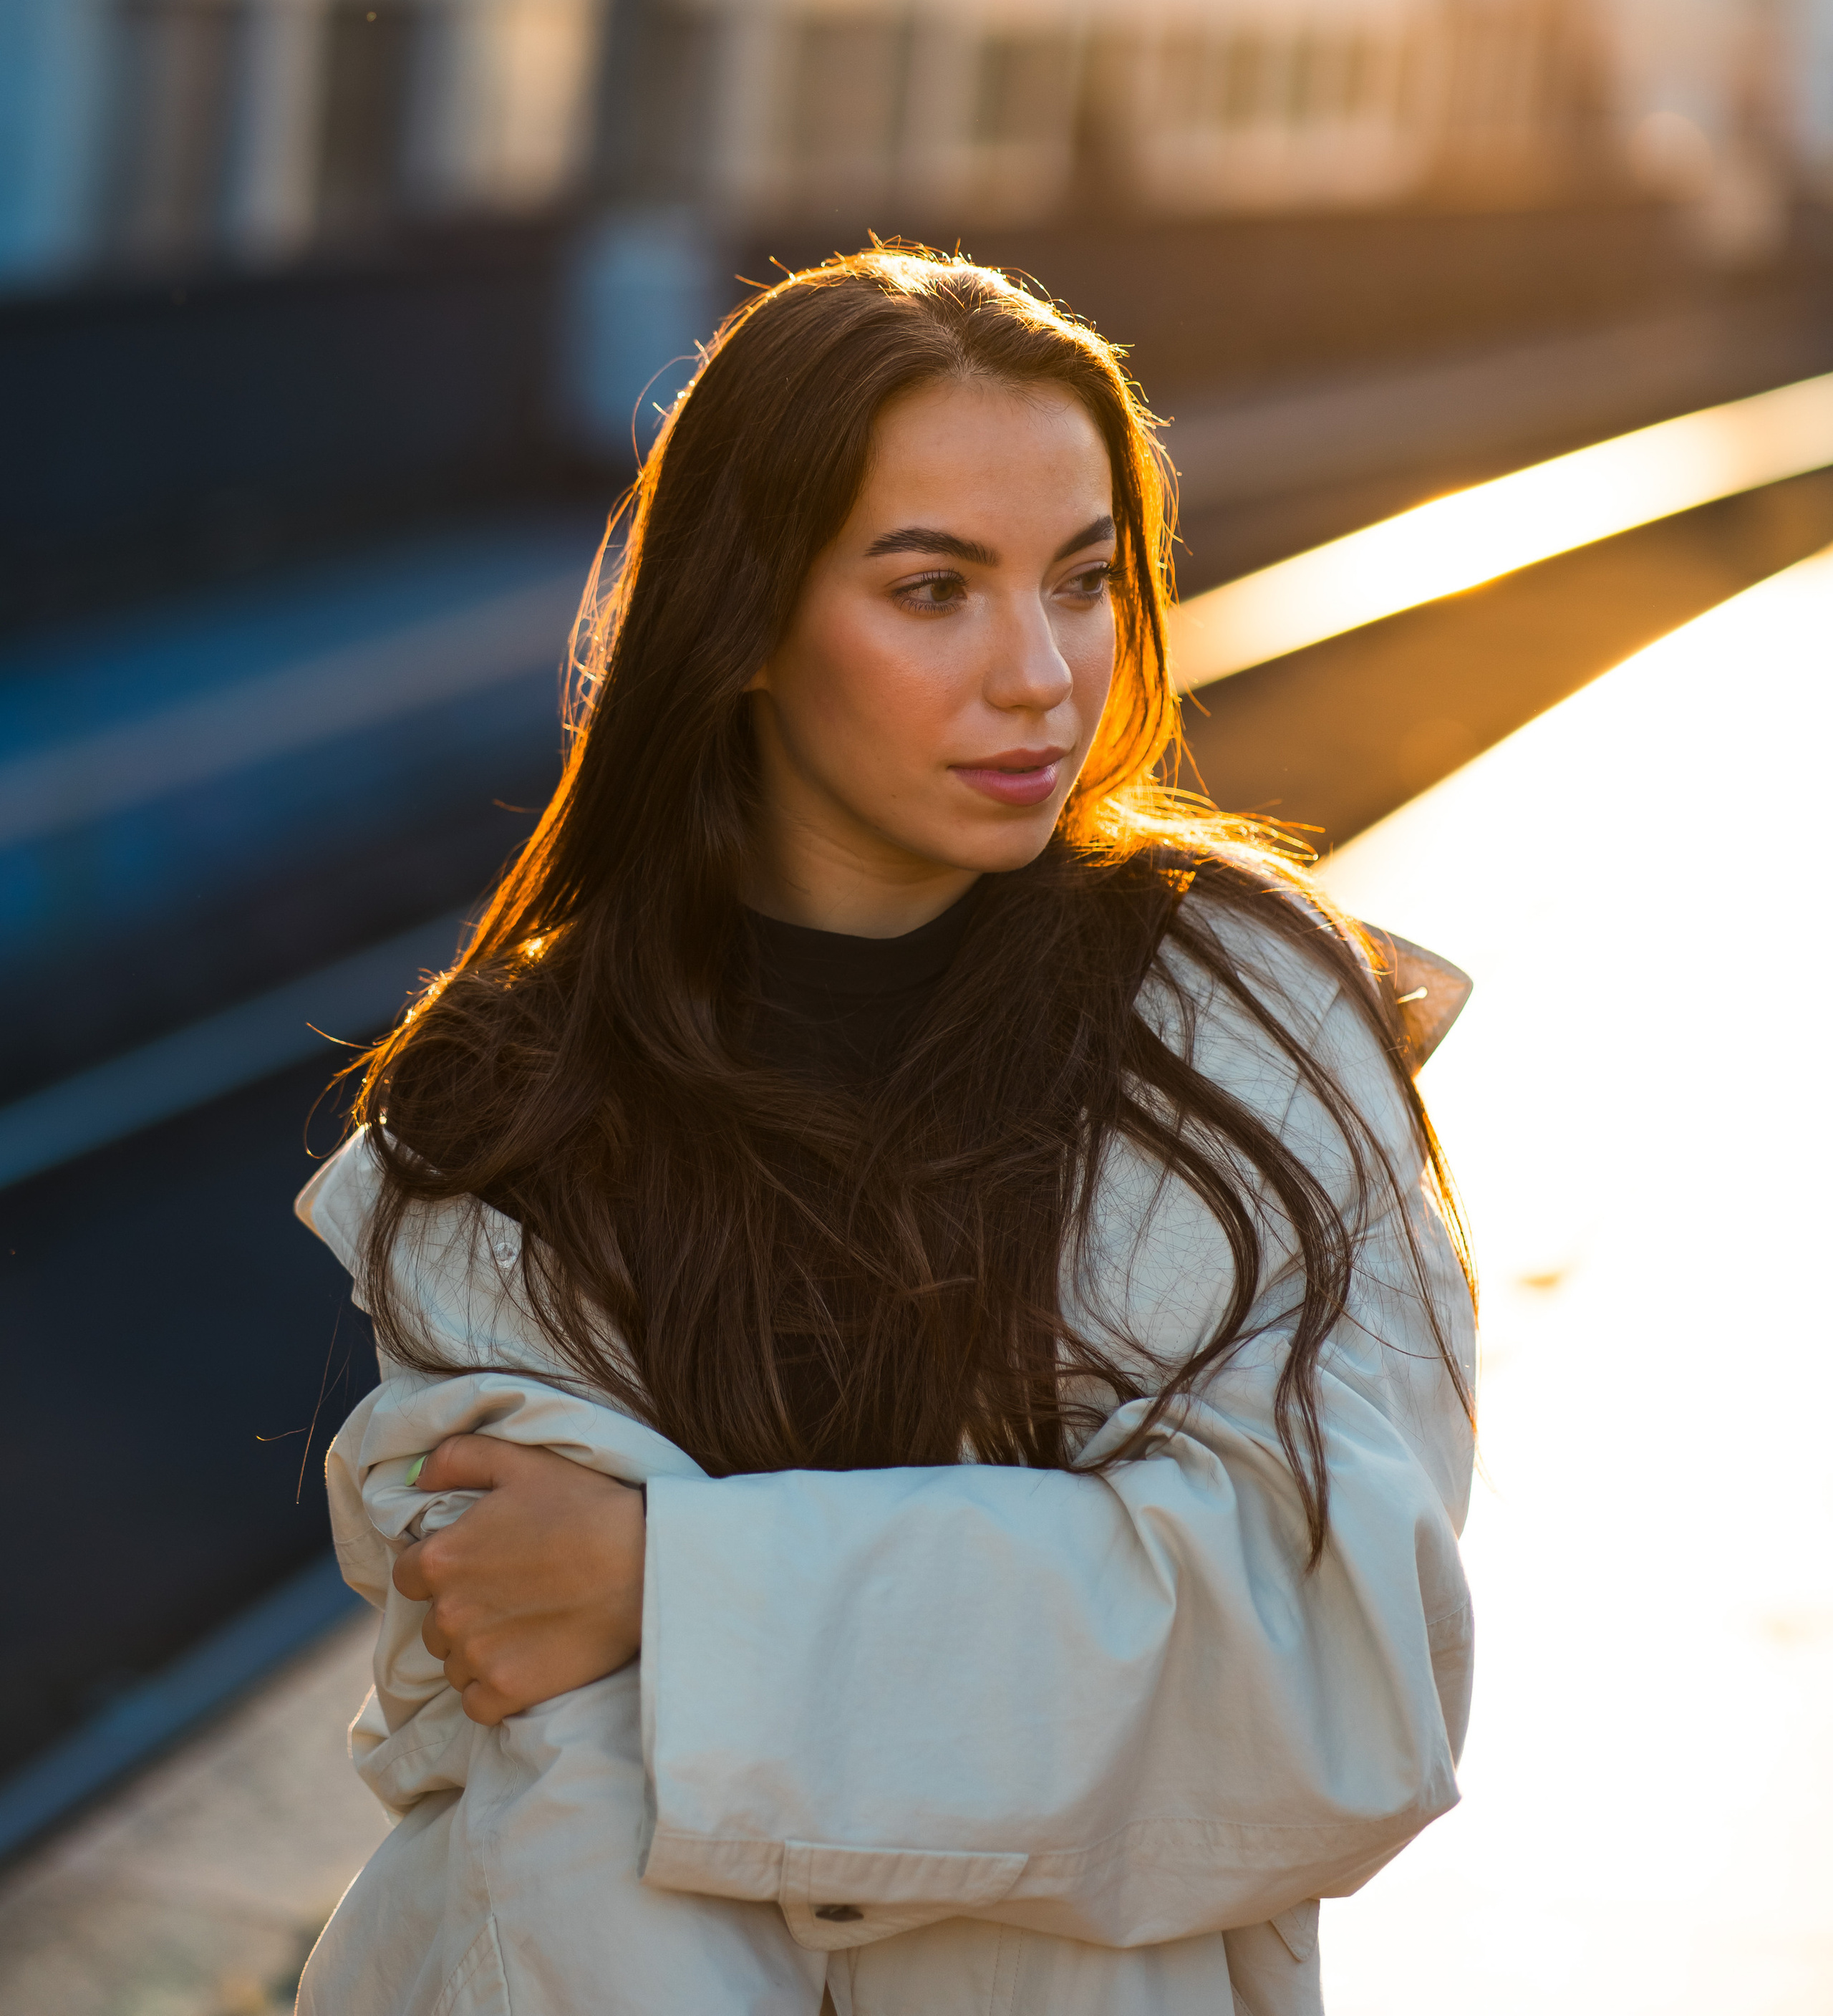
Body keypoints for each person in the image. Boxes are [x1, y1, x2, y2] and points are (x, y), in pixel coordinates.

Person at [295, 250, 1476, 2016]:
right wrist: (1026, 1629)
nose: (1038, 678)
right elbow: (566, 1800)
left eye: (1082, 583)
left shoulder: (1246, 1029)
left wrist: (676, 1593)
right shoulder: (511, 1120)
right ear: (748, 617)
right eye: (932, 590)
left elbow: (1327, 1668)